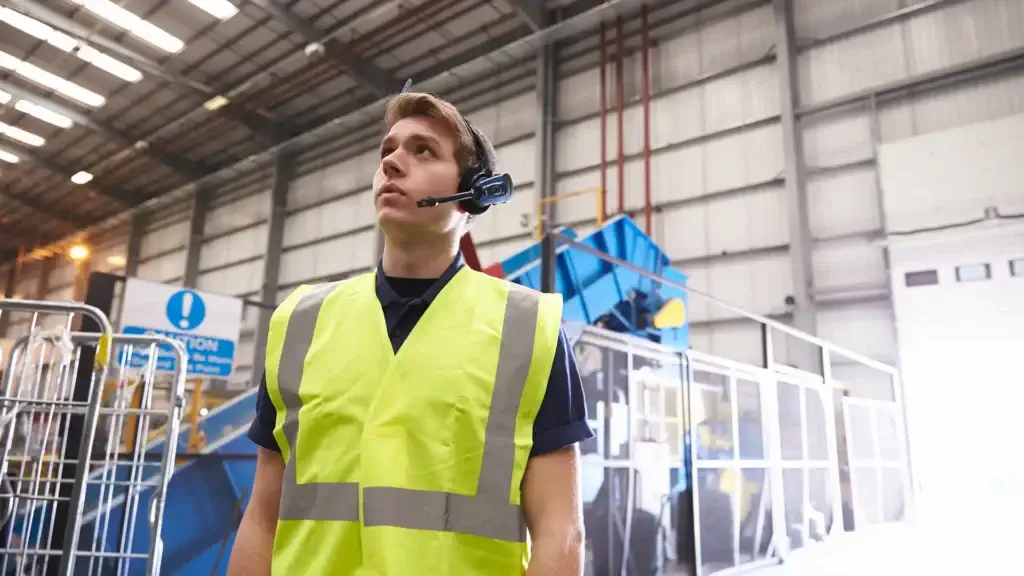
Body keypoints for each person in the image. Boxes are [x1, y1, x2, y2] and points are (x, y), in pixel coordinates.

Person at [227, 91, 594, 576]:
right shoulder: (301, 321)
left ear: (474, 194)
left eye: (423, 151)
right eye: (388, 151)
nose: (393, 163)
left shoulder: (528, 328)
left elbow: (560, 533)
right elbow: (262, 519)